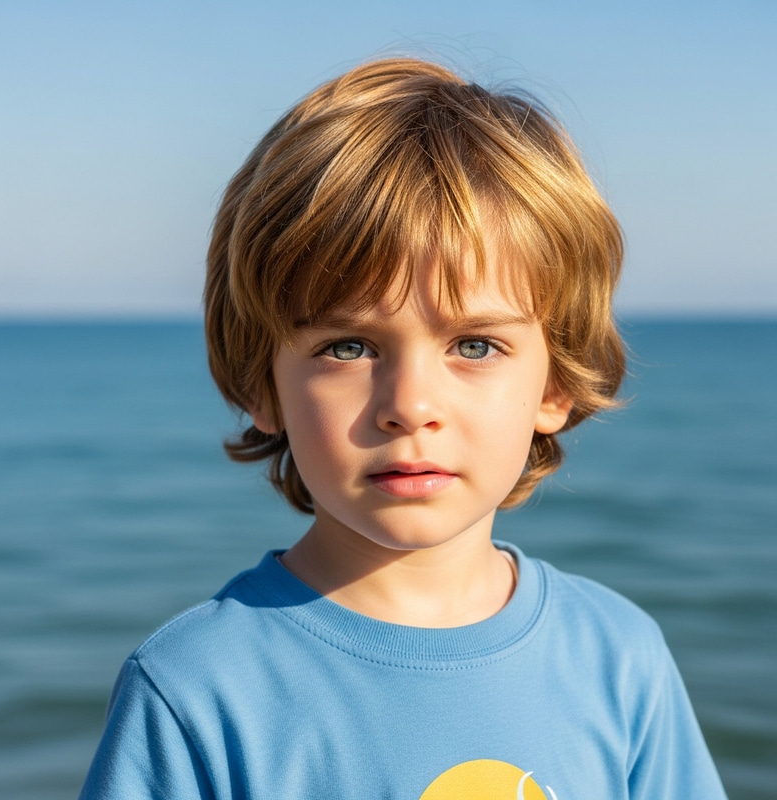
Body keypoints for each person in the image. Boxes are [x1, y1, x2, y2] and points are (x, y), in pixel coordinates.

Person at [79, 57, 727, 799]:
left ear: (554, 382)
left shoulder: (618, 658)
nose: (410, 404)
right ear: (264, 384)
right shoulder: (196, 690)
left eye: (475, 345)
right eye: (347, 348)